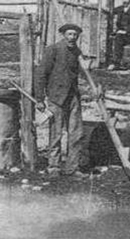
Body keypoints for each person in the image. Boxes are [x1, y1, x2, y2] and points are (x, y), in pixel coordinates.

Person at [35, 23, 87, 175]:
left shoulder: (77, 52)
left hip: (73, 96)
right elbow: (41, 74)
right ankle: (53, 166)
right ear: (63, 35)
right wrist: (39, 98)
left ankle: (73, 167)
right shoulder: (53, 50)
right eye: (70, 34)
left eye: (75, 35)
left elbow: (81, 73)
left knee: (76, 133)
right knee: (56, 133)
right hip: (56, 97)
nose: (72, 37)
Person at [107, 0, 130, 70]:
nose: (124, 1)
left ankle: (116, 63)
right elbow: (110, 11)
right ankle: (110, 60)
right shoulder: (120, 8)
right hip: (121, 33)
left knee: (119, 39)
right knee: (112, 37)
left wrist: (126, 31)